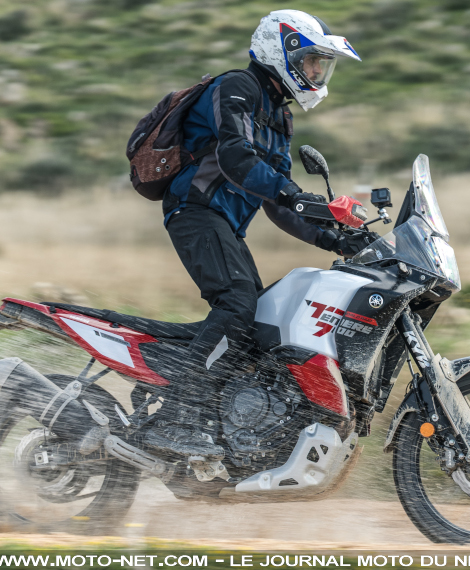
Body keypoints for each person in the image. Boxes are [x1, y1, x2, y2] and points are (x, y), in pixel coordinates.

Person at [144, 10, 368, 458]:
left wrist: (336, 239)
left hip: (225, 223)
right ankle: (176, 419)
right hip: (195, 212)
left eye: (320, 64)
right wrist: (296, 194)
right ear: (281, 52)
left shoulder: (280, 118)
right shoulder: (237, 88)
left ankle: (226, 423)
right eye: (310, 61)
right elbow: (237, 160)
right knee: (238, 302)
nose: (317, 72)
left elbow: (279, 207)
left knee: (259, 315)